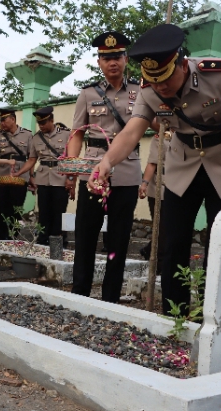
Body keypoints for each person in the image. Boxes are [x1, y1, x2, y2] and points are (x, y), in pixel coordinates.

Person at [90, 24, 221, 314]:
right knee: (172, 243)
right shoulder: (149, 90)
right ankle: (176, 314)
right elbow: (131, 132)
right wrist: (107, 161)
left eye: (165, 78)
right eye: (153, 80)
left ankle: (216, 313)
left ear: (182, 64)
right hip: (181, 164)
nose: (160, 87)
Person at [66, 31, 143, 303]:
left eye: (118, 56)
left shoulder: (141, 90)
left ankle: (111, 298)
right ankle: (80, 294)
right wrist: (72, 172)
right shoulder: (87, 94)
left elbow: (156, 125)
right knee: (86, 236)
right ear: (99, 62)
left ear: (126, 59)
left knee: (119, 240)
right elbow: (76, 134)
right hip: (92, 173)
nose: (113, 62)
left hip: (128, 172)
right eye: (106, 58)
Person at [11, 106, 69, 245]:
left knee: (59, 212)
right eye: (39, 124)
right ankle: (43, 240)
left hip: (60, 177)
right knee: (43, 211)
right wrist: (19, 173)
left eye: (44, 123)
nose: (41, 126)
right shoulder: (36, 137)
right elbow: (32, 160)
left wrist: (70, 179)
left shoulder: (66, 134)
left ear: (52, 120)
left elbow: (71, 159)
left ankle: (59, 240)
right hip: (43, 179)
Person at [0, 109, 32, 239]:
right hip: (1, 175)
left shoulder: (27, 135)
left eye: (4, 120)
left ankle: (13, 235)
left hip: (20, 175)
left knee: (16, 207)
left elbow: (31, 158)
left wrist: (31, 177)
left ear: (12, 119)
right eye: (0, 120)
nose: (2, 123)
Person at [138, 131, 170, 266]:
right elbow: (152, 164)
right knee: (162, 226)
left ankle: (148, 250)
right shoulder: (160, 137)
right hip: (159, 188)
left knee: (169, 227)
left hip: (178, 186)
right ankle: (159, 263)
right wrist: (144, 183)